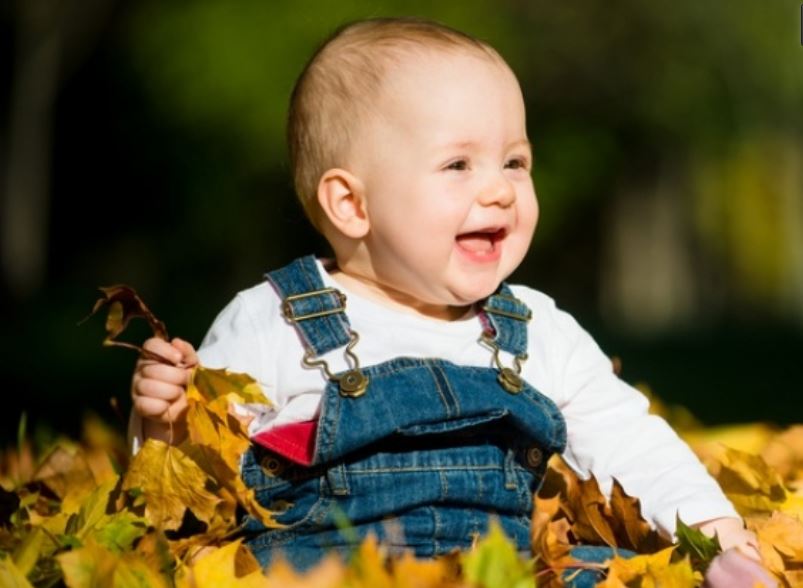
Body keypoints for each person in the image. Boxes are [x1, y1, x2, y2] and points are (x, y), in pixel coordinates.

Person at [129, 17, 773, 586]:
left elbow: (630, 440)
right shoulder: (274, 322)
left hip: (502, 572)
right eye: (458, 165)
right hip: (326, 575)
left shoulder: (532, 328)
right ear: (352, 205)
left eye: (515, 162)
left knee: (616, 577)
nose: (499, 190)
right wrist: (164, 424)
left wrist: (714, 529)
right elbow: (197, 490)